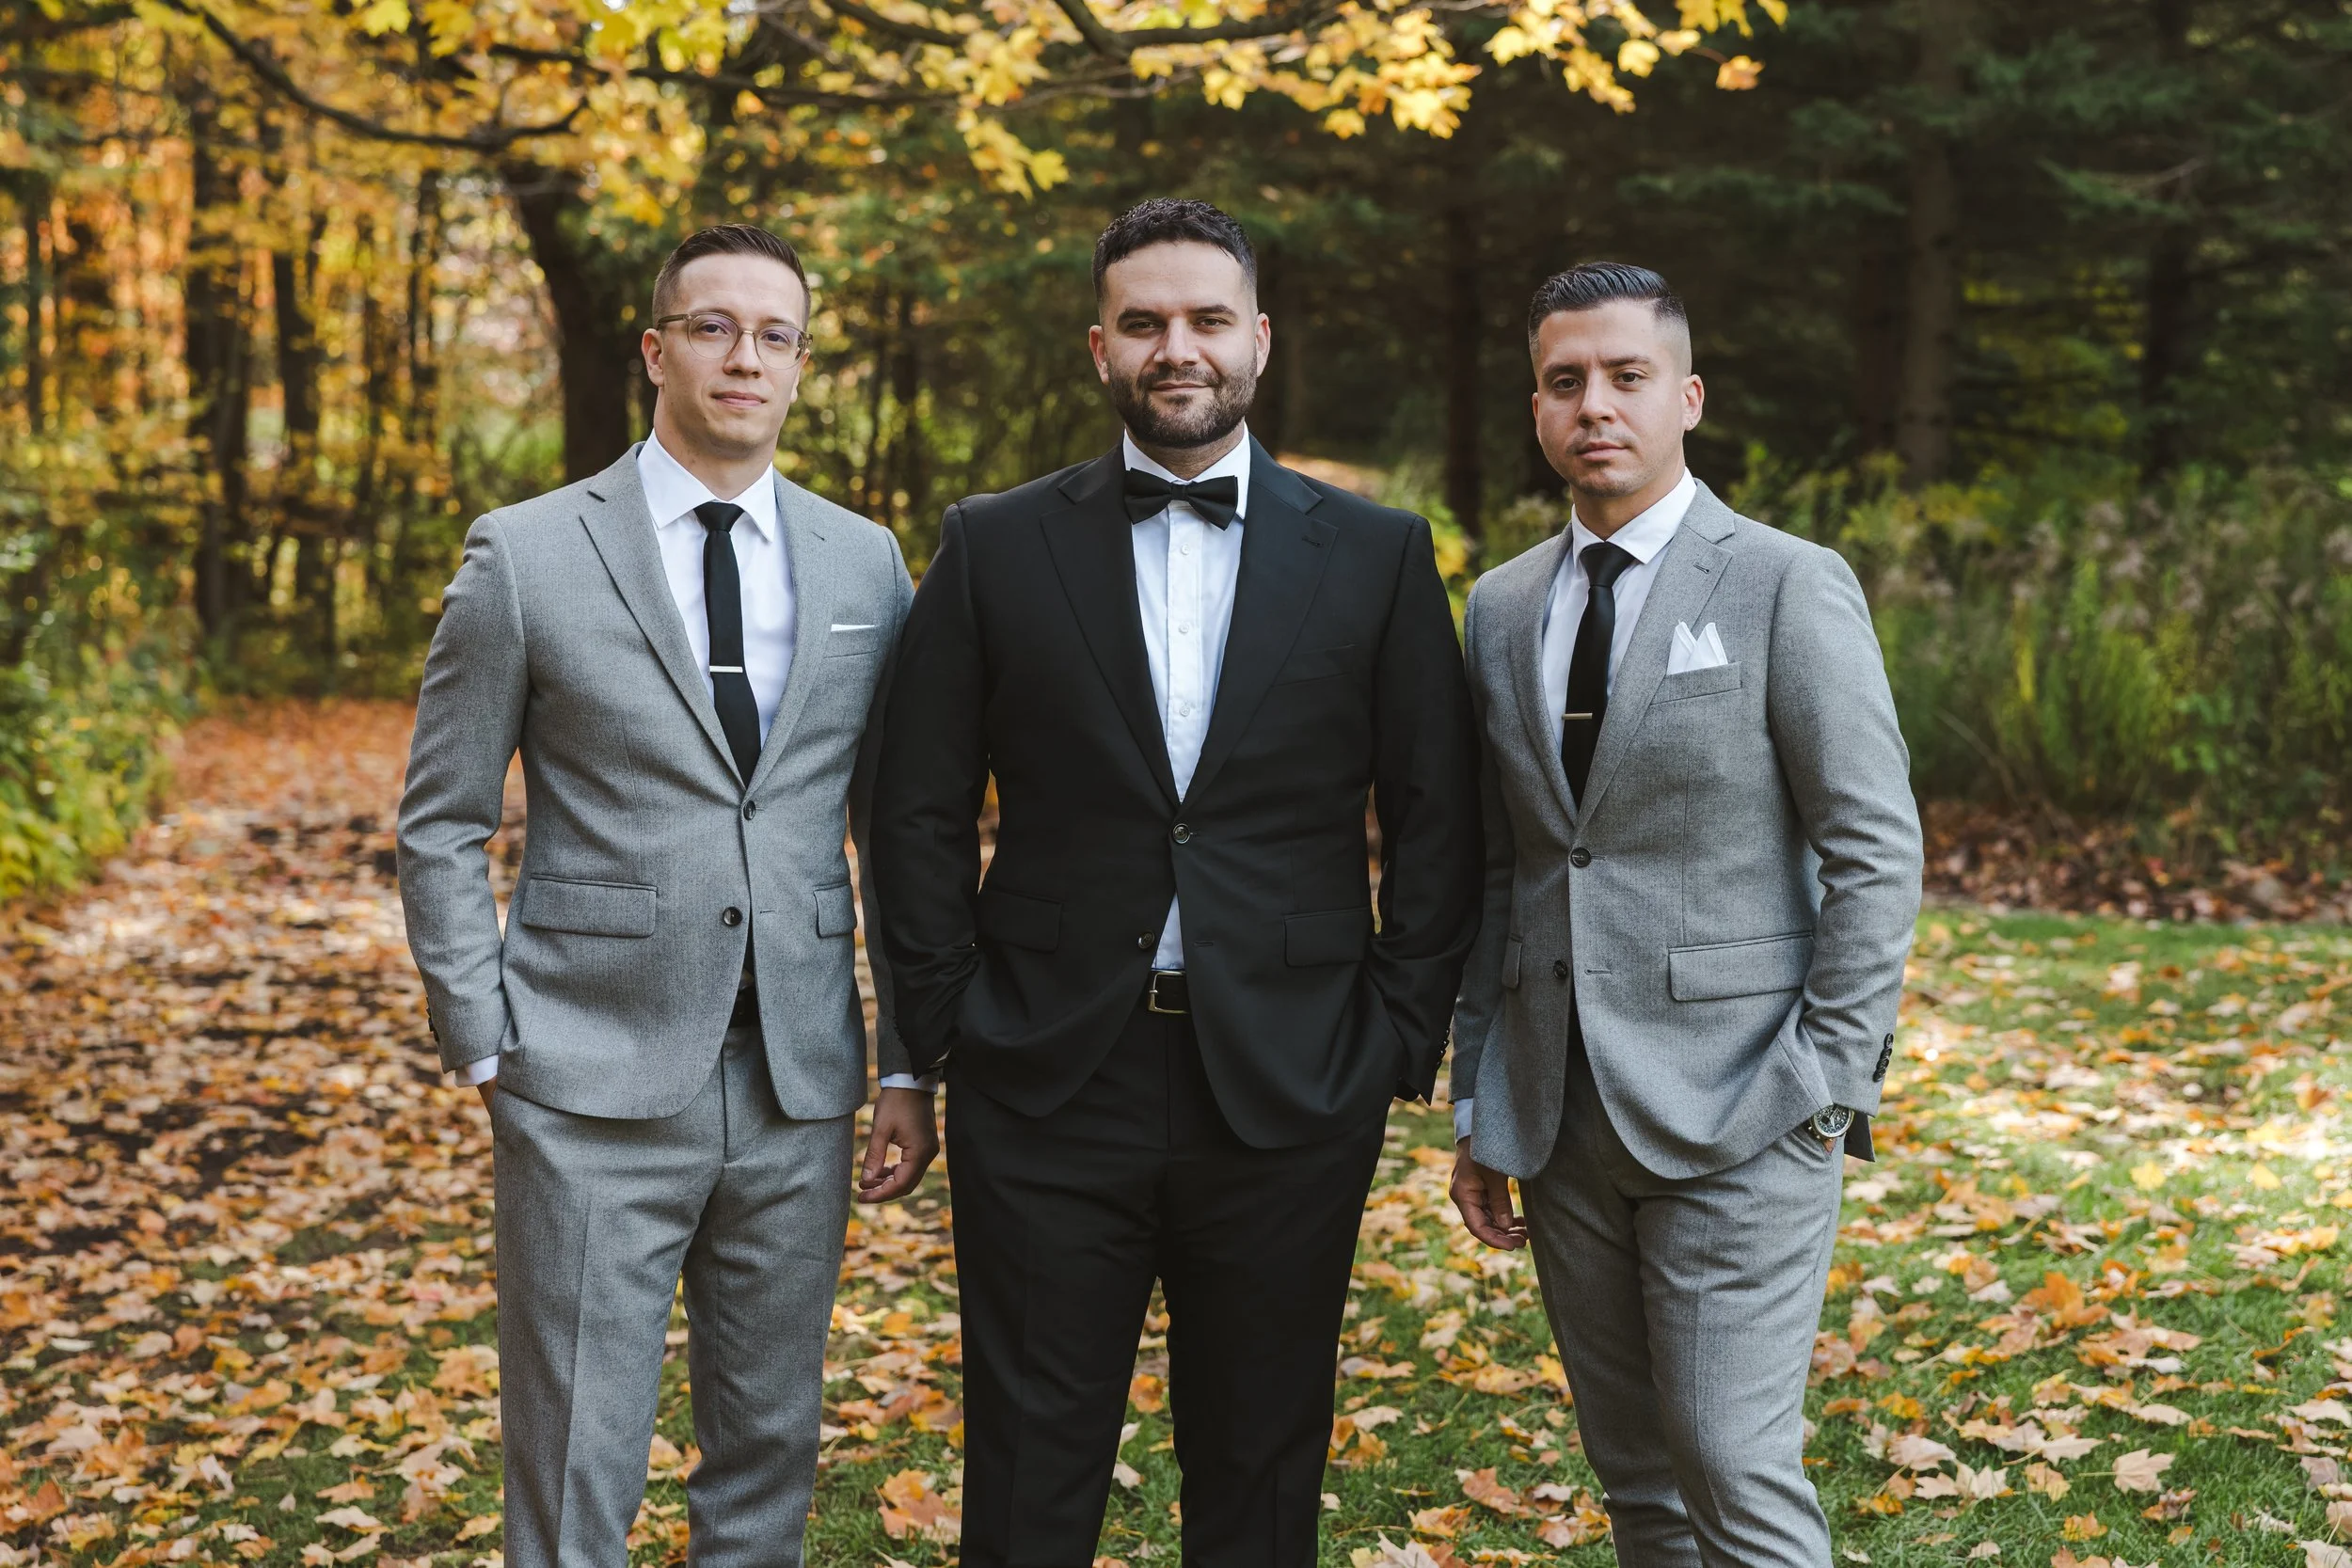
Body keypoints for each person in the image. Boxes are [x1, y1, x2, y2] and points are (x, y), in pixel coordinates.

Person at [869, 198, 1482, 1568]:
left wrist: (1393, 1033)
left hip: (1291, 1079)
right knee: (1028, 1464)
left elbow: (1439, 815)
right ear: (1100, 347)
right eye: (1144, 321)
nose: (1176, 347)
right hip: (1044, 1072)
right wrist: (945, 1013)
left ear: (1258, 341)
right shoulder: (995, 544)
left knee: (1263, 1461)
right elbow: (911, 808)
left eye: (1207, 318)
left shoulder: (1378, 555)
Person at [395, 223, 937, 1568]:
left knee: (770, 1442)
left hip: (799, 1078)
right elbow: (442, 815)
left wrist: (909, 1059)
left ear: (803, 365)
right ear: (656, 349)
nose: (744, 356)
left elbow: (901, 825)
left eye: (774, 334)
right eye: (713, 326)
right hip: (584, 1074)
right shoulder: (524, 555)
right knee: (577, 1451)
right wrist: (483, 1034)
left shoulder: (867, 561)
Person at [1446, 262, 1923, 1567]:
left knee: (1731, 1459)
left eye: (1625, 376)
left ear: (1687, 396)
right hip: (1562, 1110)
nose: (1593, 404)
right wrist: (1483, 1092)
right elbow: (1508, 868)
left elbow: (1876, 846)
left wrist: (1828, 1076)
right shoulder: (1497, 608)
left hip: (1748, 1105)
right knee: (1638, 1473)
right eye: (1564, 381)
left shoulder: (1783, 582)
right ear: (1539, 408)